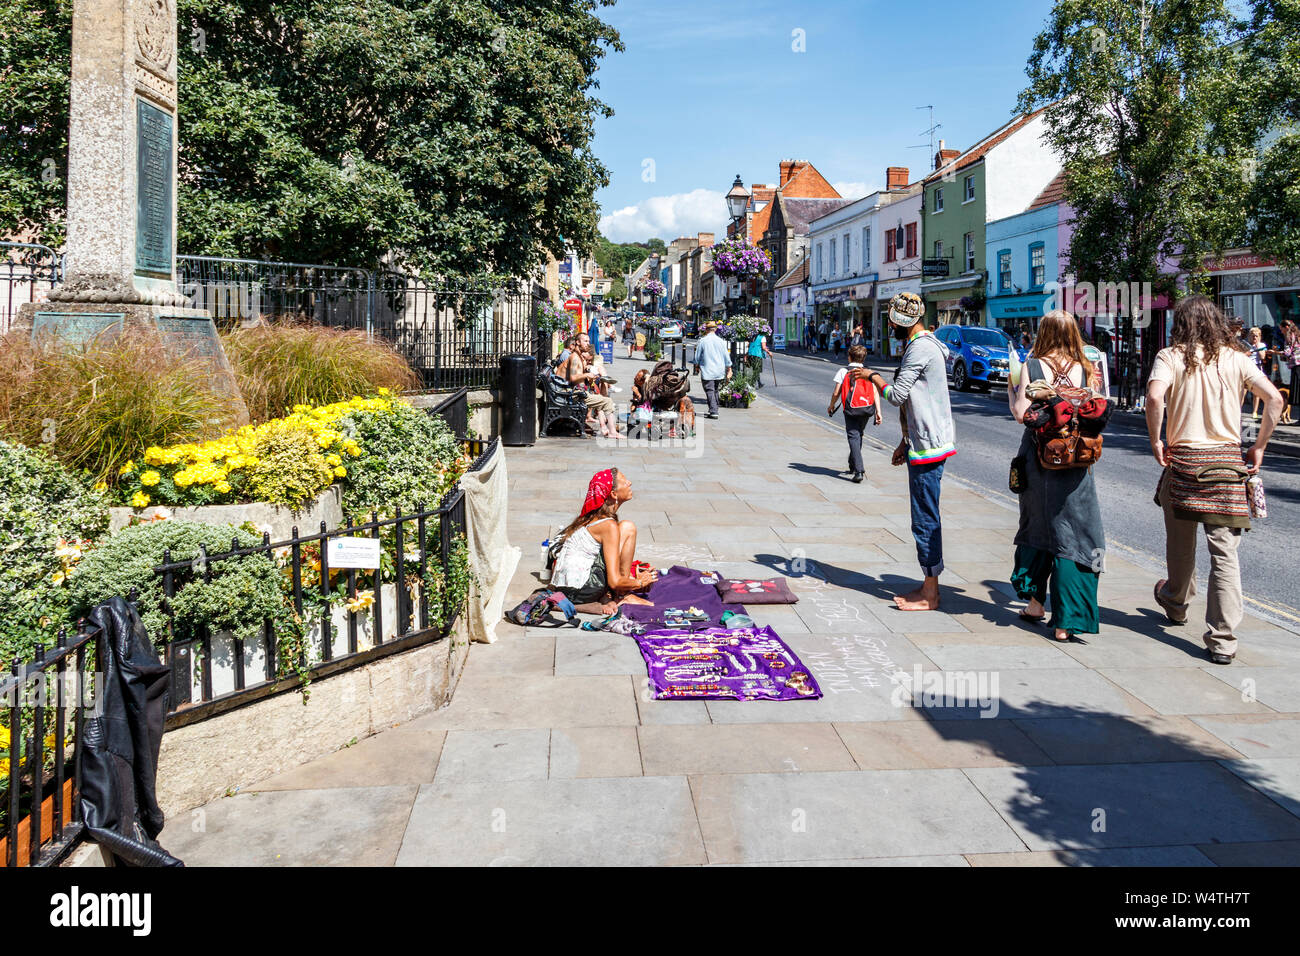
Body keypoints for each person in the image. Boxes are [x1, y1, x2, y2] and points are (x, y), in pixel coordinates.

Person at [1146, 296, 1284, 665]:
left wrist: (1157, 439)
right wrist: (1259, 447)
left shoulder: (1171, 356)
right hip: (1226, 465)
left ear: (1182, 324)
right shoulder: (1238, 359)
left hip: (1183, 462)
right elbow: (1273, 399)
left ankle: (1176, 604)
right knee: (1224, 553)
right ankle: (1222, 639)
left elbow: (1155, 396)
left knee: (1180, 543)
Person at [1008, 310, 1105, 642]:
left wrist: (1013, 395)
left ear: (1043, 332)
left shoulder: (1031, 366)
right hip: (1076, 460)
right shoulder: (1087, 368)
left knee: (1038, 524)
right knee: (1076, 533)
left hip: (1038, 458)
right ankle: (1067, 621)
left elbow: (1022, 414)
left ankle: (1036, 603)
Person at [855, 292, 955, 610]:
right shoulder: (924, 345)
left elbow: (898, 395)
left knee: (924, 519)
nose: (889, 325)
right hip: (924, 440)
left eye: (891, 320)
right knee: (924, 516)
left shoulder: (920, 349)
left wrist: (872, 376)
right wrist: (905, 439)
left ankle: (930, 594)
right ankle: (929, 583)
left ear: (902, 322)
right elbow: (917, 399)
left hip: (928, 445)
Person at [550, 468, 658, 614]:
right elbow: (614, 580)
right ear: (613, 494)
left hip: (569, 590)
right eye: (625, 481)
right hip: (580, 592)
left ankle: (613, 594)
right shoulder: (608, 525)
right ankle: (622, 595)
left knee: (625, 528)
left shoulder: (593, 519)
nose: (629, 483)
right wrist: (639, 582)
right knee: (628, 527)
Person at [828, 344, 882, 483]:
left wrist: (832, 405)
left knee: (853, 436)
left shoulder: (843, 371)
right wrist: (878, 412)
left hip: (851, 410)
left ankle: (859, 471)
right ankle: (853, 463)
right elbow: (875, 392)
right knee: (858, 435)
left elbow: (836, 392)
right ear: (863, 358)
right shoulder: (868, 372)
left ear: (849, 356)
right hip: (867, 408)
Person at [693, 321, 732, 419]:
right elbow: (726, 356)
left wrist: (696, 366)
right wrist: (729, 367)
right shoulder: (721, 341)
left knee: (709, 390)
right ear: (715, 330)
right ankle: (715, 406)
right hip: (719, 370)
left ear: (706, 330)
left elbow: (697, 356)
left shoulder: (703, 341)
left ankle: (714, 411)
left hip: (708, 369)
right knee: (715, 389)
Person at [1247, 326, 1269, 420]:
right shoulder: (1246, 345)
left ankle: (1255, 411)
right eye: (1252, 336)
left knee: (1256, 391)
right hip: (1247, 367)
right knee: (1243, 390)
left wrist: (1258, 347)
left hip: (1257, 367)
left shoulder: (1262, 345)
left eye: (1256, 336)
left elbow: (1263, 357)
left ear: (1259, 336)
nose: (1254, 338)